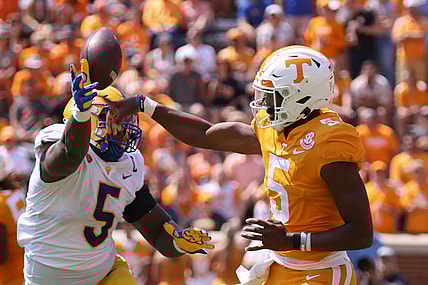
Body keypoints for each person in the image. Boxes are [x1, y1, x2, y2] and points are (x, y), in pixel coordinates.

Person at [106, 45, 374, 284]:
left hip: (321, 271)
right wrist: (145, 105)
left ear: (303, 97)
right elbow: (204, 134)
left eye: (274, 96)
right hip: (281, 265)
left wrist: (292, 240)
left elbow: (361, 233)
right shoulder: (277, 128)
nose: (265, 104)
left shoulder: (331, 142)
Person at [16, 60, 214, 285]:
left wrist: (178, 241)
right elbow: (70, 153)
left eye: (125, 119)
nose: (123, 130)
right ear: (89, 119)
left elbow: (157, 231)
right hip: (49, 278)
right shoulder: (58, 148)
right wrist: (81, 115)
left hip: (103, 274)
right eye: (114, 120)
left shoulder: (128, 164)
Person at [0, 155, 26, 285]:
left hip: (7, 277)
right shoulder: (16, 192)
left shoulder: (1, 204)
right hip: (21, 270)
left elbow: (1, 254)